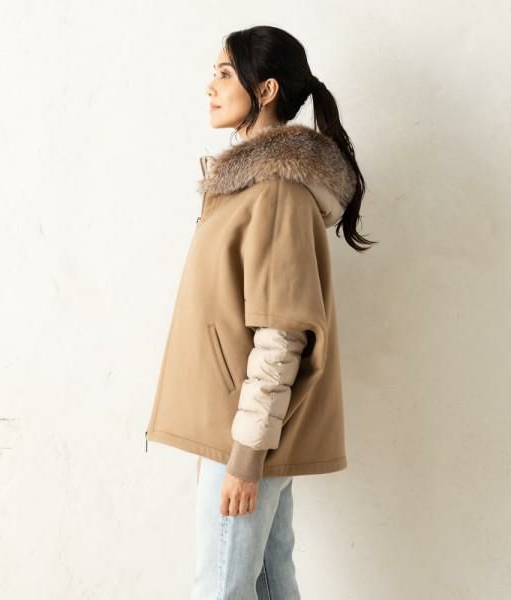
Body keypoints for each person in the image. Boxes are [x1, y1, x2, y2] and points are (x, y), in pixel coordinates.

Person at [144, 25, 375, 599]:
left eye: (226, 73)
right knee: (270, 581)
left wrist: (244, 457)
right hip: (239, 431)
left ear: (265, 90)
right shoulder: (244, 190)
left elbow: (281, 334)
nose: (211, 86)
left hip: (246, 436)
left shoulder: (274, 193)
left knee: (220, 588)